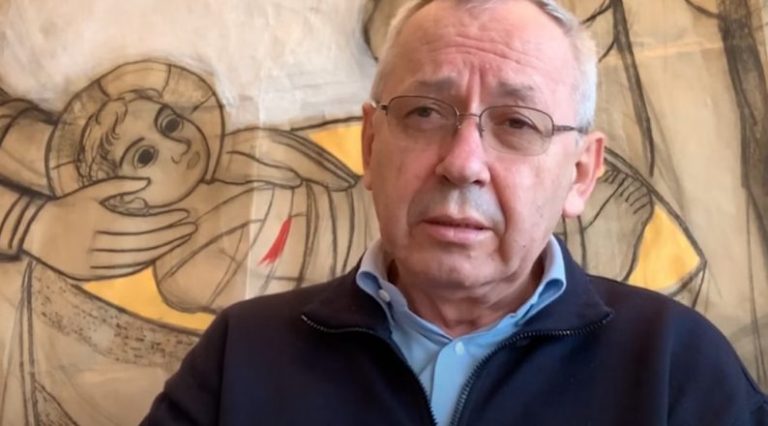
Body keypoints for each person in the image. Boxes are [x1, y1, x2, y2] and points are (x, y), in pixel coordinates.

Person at [142, 0, 768, 424]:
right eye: (424, 112)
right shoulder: (244, 354)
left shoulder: (676, 364)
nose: (463, 163)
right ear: (370, 145)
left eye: (517, 123)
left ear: (580, 174)